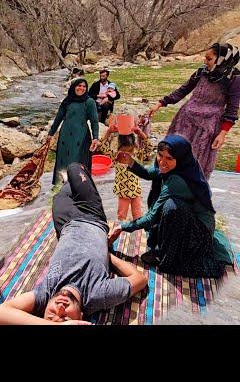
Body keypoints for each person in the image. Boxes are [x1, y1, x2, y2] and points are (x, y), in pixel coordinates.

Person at [0, 163, 148, 325]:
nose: (59, 309)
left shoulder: (45, 293)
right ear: (80, 317)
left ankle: (67, 182)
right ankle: (72, 179)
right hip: (92, 216)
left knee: (61, 194)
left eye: (51, 316)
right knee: (74, 168)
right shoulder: (98, 295)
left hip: (64, 224)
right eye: (65, 317)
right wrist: (107, 256)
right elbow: (140, 279)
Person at [108, 135, 234, 277]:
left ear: (179, 159)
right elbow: (150, 173)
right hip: (188, 221)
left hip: (199, 234)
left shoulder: (178, 181)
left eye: (169, 159)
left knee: (170, 207)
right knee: (169, 207)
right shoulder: (181, 168)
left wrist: (122, 227)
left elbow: (150, 218)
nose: (162, 162)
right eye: (160, 156)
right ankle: (167, 249)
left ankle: (171, 259)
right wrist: (130, 161)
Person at [147, 42, 240, 179]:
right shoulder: (202, 72)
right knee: (174, 153)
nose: (205, 61)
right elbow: (183, 90)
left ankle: (193, 194)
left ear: (221, 60)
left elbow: (232, 109)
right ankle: (171, 188)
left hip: (207, 126)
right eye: (205, 58)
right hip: (185, 120)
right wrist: (161, 103)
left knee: (197, 160)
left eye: (209, 59)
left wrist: (222, 134)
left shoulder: (234, 79)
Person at [47, 78, 100, 185]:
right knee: (63, 158)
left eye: (84, 86)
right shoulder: (67, 101)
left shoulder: (89, 102)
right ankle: (62, 182)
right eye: (79, 86)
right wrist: (50, 133)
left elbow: (94, 121)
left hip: (81, 135)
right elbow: (58, 118)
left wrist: (95, 137)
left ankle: (79, 185)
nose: (81, 88)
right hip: (65, 135)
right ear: (73, 87)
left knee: (78, 160)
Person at [98, 119, 153, 220]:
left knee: (138, 215)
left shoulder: (137, 156)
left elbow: (149, 147)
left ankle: (137, 233)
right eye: (123, 150)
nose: (125, 154)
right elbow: (102, 146)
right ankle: (120, 232)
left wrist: (141, 133)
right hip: (123, 193)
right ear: (119, 147)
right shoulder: (116, 157)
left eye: (129, 150)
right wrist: (108, 131)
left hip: (135, 192)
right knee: (121, 215)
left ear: (133, 146)